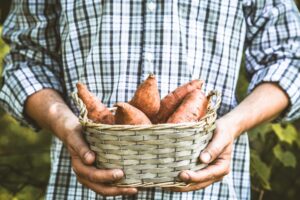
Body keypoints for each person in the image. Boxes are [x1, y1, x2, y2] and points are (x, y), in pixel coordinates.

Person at [0, 0, 299, 199]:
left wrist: (231, 126)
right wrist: (66, 126)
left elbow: (291, 59)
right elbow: (26, 62)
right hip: (79, 189)